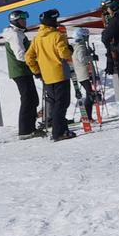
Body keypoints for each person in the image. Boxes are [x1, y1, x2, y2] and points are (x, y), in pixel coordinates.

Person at [26, 9, 76, 141]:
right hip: (59, 74)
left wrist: (36, 71)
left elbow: (28, 57)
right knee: (62, 104)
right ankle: (58, 132)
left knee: (55, 104)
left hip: (47, 77)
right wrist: (69, 50)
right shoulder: (56, 36)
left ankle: (63, 130)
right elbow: (64, 54)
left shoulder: (37, 39)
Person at [0, 9, 41, 139]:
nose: (25, 21)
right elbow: (20, 55)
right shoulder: (14, 35)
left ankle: (30, 128)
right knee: (28, 99)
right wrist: (35, 61)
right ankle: (25, 130)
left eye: (25, 19)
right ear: (15, 21)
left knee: (32, 98)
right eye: (22, 19)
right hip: (20, 70)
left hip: (24, 70)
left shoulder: (18, 33)